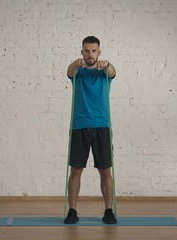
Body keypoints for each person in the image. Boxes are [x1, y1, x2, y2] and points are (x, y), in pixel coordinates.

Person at [64, 36, 117, 224]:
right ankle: (72, 211)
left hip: (101, 125)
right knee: (76, 171)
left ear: (99, 52)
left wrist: (108, 64)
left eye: (94, 51)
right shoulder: (77, 72)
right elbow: (69, 71)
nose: (90, 54)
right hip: (79, 126)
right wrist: (74, 63)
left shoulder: (104, 72)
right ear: (82, 52)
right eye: (86, 51)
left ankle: (108, 210)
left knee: (105, 171)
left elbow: (113, 72)